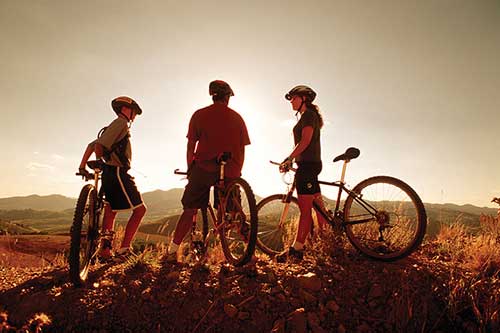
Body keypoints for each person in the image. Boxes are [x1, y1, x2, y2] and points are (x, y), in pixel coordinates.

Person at [165, 80, 251, 263]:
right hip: (230, 170)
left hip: (203, 167)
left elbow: (190, 146)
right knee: (235, 211)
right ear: (227, 97)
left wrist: (190, 170)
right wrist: (236, 173)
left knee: (189, 209)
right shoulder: (237, 117)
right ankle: (248, 251)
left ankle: (172, 251)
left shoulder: (199, 115)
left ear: (212, 96)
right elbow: (243, 150)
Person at [78, 96, 147, 260]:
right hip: (117, 172)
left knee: (110, 211)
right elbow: (98, 146)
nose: (135, 117)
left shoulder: (112, 126)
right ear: (126, 109)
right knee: (140, 210)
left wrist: (82, 167)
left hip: (109, 173)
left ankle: (105, 250)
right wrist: (102, 159)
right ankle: (124, 250)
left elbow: (91, 145)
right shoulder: (121, 123)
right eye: (134, 112)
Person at [277, 85, 328, 261]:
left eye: (294, 97)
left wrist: (289, 158)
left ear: (304, 99)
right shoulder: (308, 116)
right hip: (309, 164)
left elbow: (305, 141)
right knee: (319, 208)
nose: (291, 101)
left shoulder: (308, 116)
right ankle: (328, 240)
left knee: (305, 210)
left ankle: (297, 249)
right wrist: (291, 158)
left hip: (307, 166)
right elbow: (302, 143)